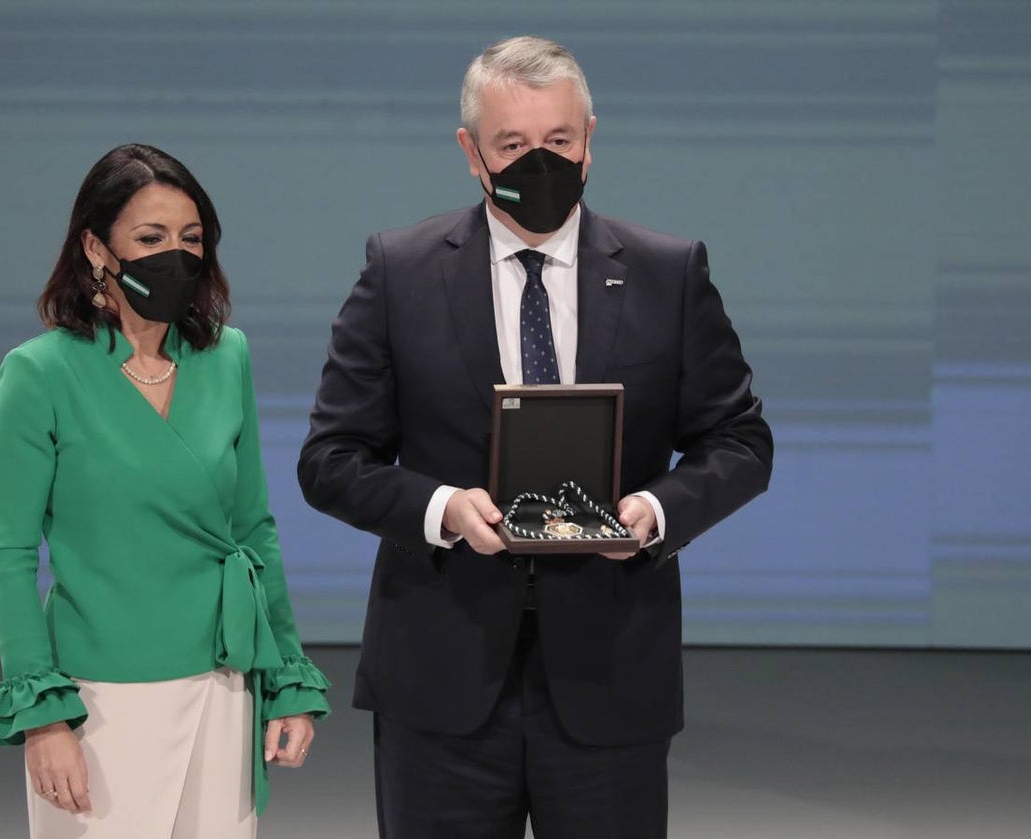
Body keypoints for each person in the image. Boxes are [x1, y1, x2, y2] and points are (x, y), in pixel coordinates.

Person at [298, 36, 773, 839]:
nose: (538, 162)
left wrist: (655, 513)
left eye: (556, 141)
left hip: (610, 675)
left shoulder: (669, 271)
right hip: (441, 682)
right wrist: (443, 506)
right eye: (512, 145)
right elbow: (330, 459)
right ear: (470, 152)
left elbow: (740, 439)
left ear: (590, 137)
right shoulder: (399, 271)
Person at [0, 143, 329, 839]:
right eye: (151, 237)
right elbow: (8, 556)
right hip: (99, 699)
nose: (177, 255)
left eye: (191, 239)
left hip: (224, 688)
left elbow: (254, 529)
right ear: (95, 247)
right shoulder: (38, 374)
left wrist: (287, 678)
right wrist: (44, 716)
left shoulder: (228, 357)